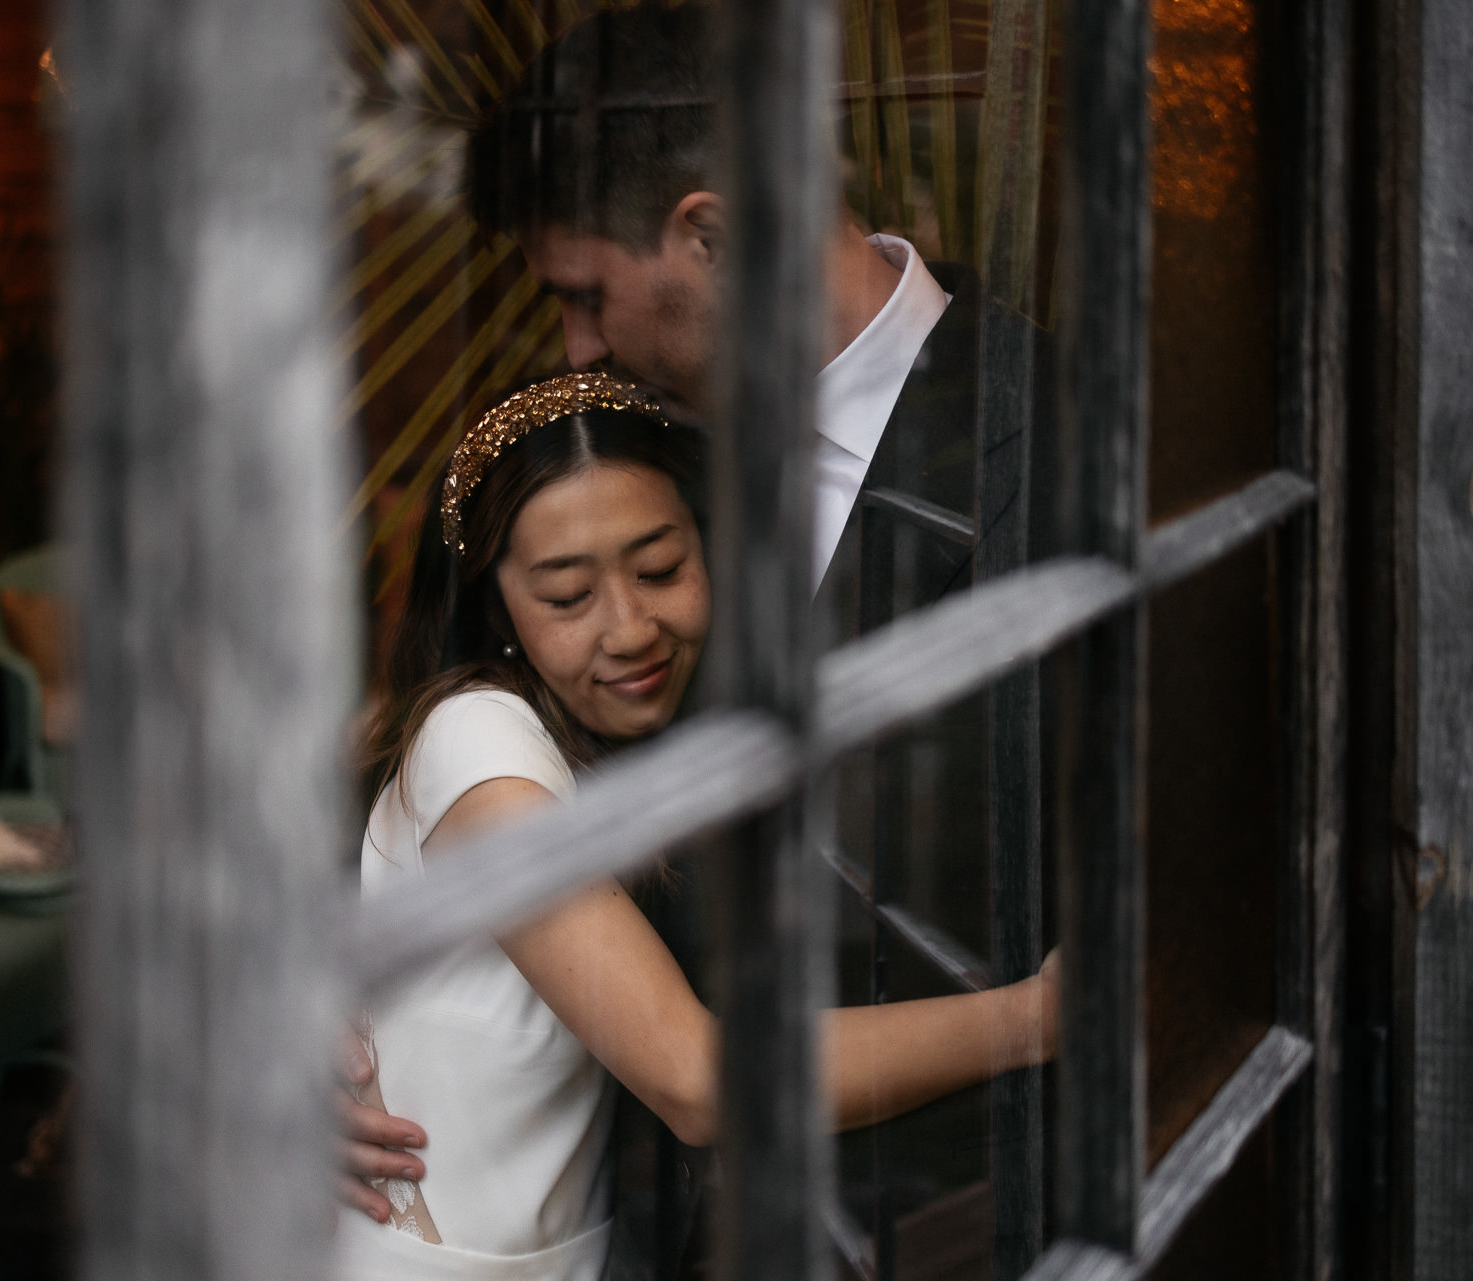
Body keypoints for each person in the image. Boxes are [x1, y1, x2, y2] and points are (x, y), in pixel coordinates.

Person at [335, 374, 1057, 1279]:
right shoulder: (479, 742)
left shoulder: (606, 735)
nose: (631, 627)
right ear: (497, 611)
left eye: (660, 569)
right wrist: (1032, 1017)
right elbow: (696, 1078)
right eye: (567, 596)